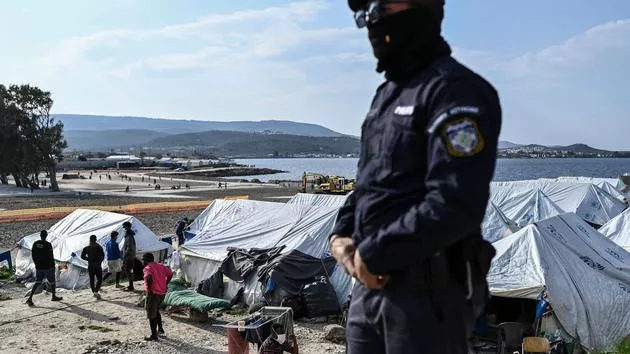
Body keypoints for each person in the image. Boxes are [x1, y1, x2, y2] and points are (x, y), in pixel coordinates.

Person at [329, 1, 501, 353]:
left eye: (379, 8)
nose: (371, 22)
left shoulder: (455, 91)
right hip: (367, 292)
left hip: (426, 298)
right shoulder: (387, 96)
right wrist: (341, 235)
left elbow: (455, 203)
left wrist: (375, 252)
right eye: (364, 16)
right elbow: (369, 184)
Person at [26, 230, 63, 306]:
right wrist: (52, 265)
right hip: (48, 266)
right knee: (52, 282)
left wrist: (36, 264)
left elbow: (33, 255)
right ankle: (53, 296)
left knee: (37, 282)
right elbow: (50, 256)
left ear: (40, 235)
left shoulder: (35, 244)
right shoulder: (48, 244)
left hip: (39, 267)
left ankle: (30, 298)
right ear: (46, 236)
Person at [142, 252, 173, 341]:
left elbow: (148, 278)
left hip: (153, 293)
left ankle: (154, 335)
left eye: (143, 261)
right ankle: (160, 329)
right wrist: (166, 283)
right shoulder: (161, 265)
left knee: (151, 314)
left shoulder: (147, 268)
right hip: (162, 293)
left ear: (146, 261)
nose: (142, 263)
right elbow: (170, 274)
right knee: (156, 310)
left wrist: (149, 290)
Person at [81, 234, 105, 299]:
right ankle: (96, 291)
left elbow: (82, 256)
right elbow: (102, 256)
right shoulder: (99, 247)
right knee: (99, 279)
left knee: (92, 279)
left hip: (90, 265)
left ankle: (94, 291)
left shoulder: (86, 248)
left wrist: (88, 259)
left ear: (90, 240)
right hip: (97, 265)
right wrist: (99, 261)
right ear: (96, 240)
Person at [121, 221, 137, 291]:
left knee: (128, 270)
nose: (124, 229)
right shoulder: (130, 235)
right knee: (128, 270)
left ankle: (131, 286)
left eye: (125, 227)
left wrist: (125, 255)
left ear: (127, 227)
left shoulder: (129, 236)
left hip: (129, 256)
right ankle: (130, 285)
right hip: (130, 255)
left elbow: (129, 246)